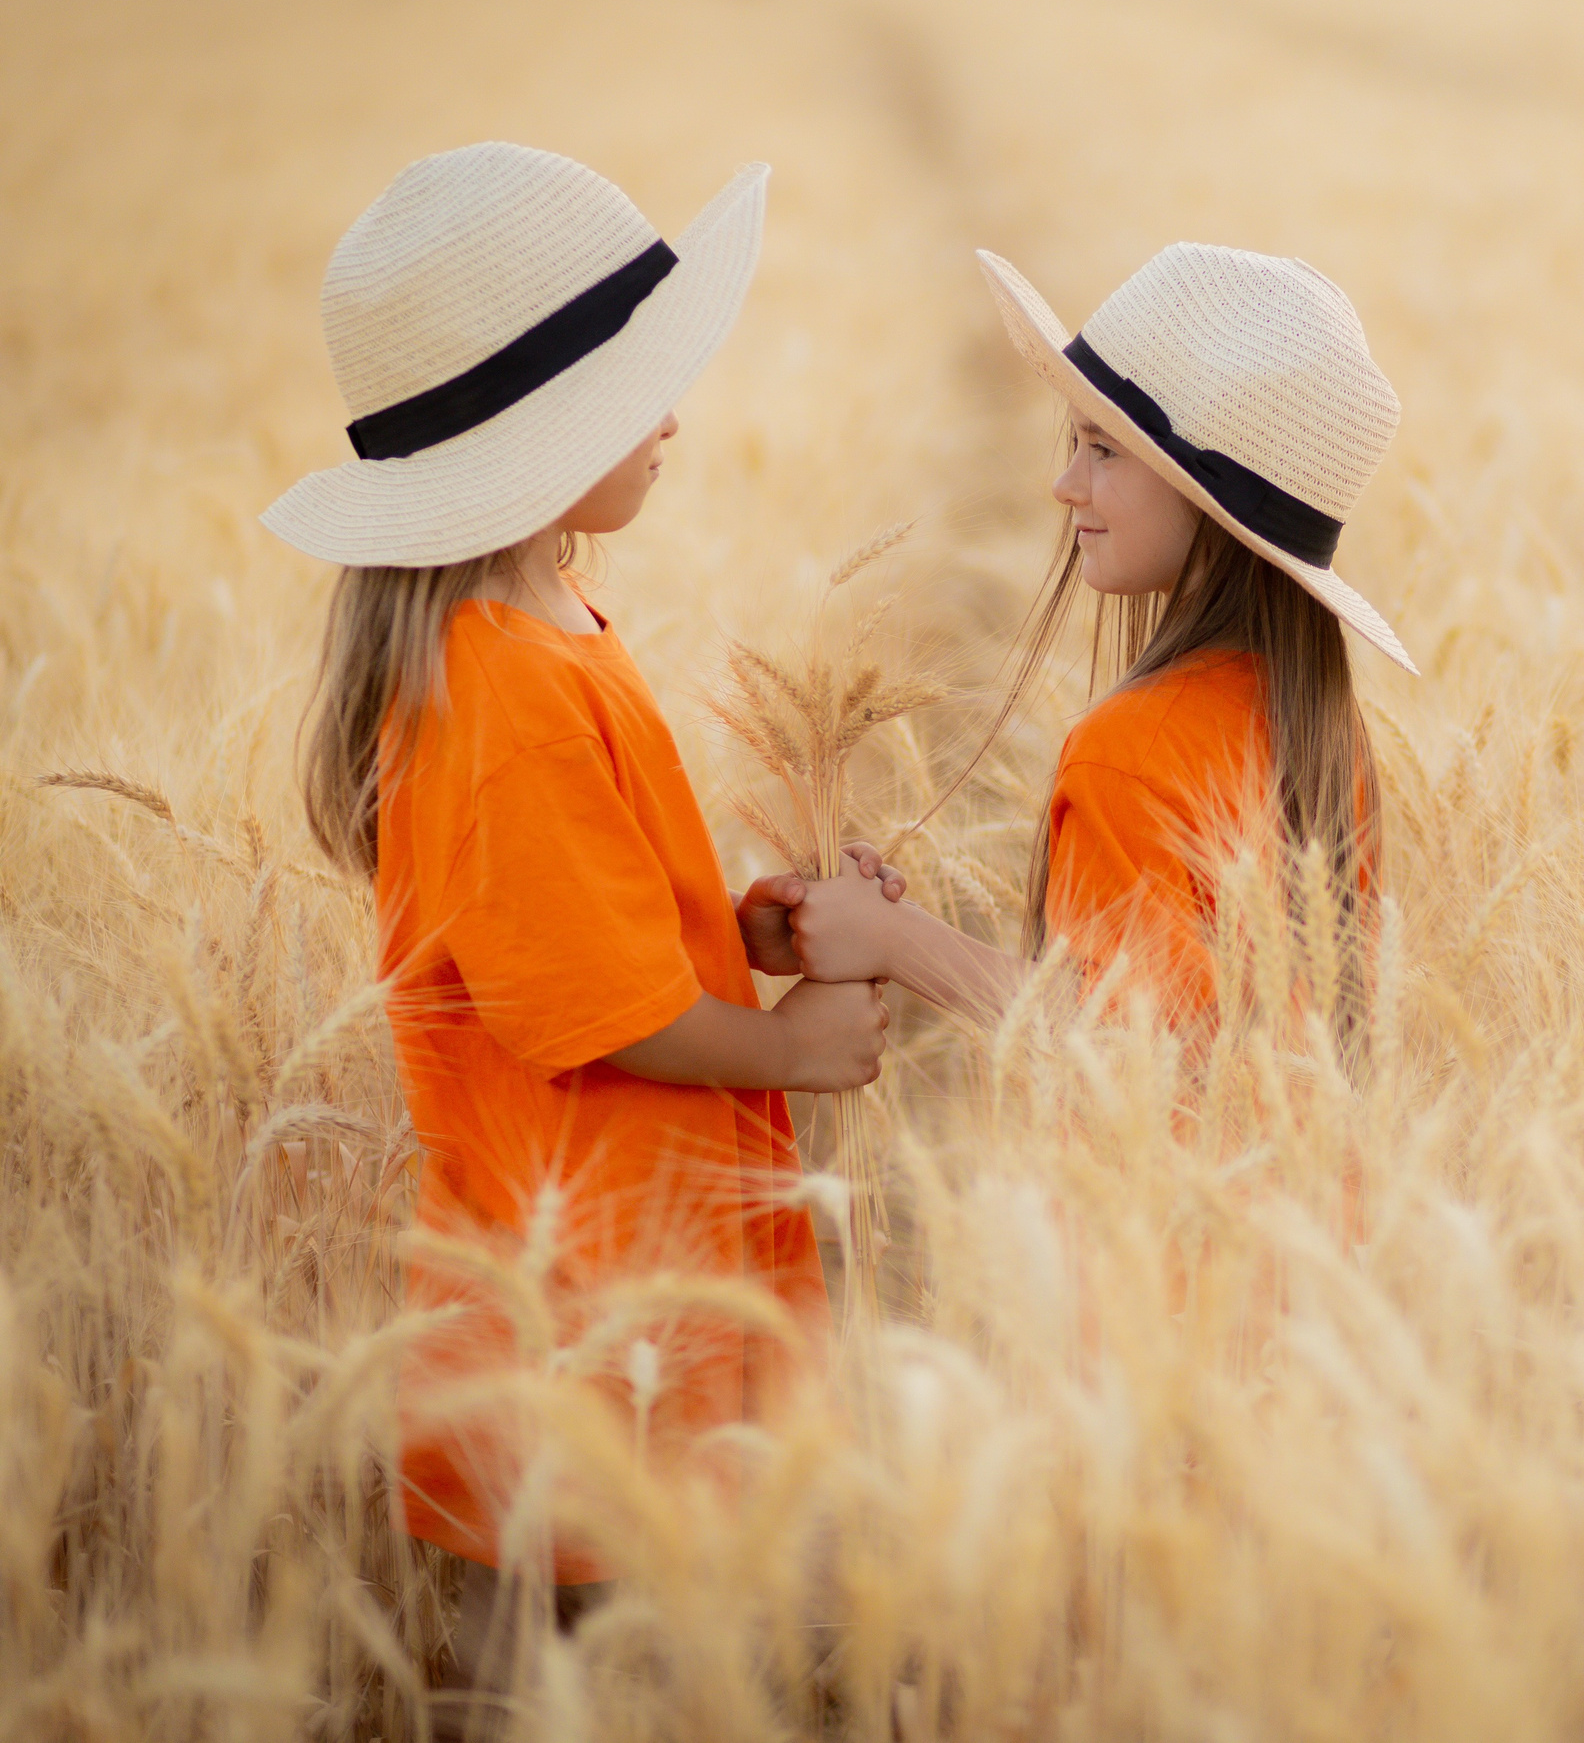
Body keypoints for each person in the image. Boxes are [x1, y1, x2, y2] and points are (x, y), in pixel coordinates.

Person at [261, 142, 897, 1734]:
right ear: (536, 436)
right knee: (595, 1676)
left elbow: (576, 926)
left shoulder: (545, 631)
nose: (674, 414)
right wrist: (785, 1044)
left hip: (627, 1280)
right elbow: (590, 1011)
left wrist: (734, 932)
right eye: (637, 383)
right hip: (592, 1318)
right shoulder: (509, 687)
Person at [787, 242, 1414, 1053]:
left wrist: (895, 941)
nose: (1065, 485)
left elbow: (1119, 1038)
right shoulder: (1321, 725)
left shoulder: (1131, 748)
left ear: (1204, 496)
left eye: (1105, 449)